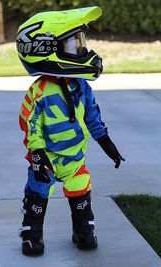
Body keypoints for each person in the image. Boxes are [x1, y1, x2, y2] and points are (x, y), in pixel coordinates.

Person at [16, 6, 125, 256]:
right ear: (44, 49)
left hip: (74, 158)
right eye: (74, 44)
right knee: (37, 194)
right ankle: (32, 233)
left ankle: (83, 229)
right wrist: (36, 152)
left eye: (81, 42)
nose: (81, 49)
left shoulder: (81, 86)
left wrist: (107, 144)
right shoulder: (39, 91)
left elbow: (93, 117)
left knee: (81, 190)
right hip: (46, 160)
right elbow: (29, 123)